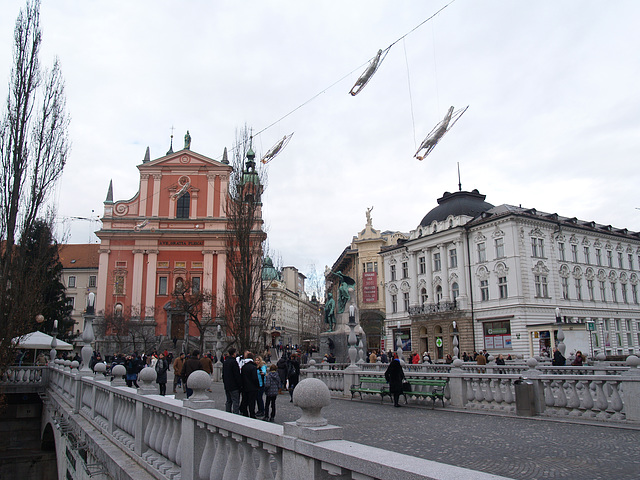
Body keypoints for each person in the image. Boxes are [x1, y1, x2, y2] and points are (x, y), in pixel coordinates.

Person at [240, 352, 259, 418]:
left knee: (245, 401)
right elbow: (255, 378)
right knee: (252, 402)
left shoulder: (243, 367)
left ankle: (245, 413)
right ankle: (252, 414)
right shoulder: (253, 367)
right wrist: (257, 385)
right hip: (252, 387)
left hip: (245, 387)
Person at [223, 348, 242, 414]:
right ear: (234, 354)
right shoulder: (234, 362)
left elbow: (223, 374)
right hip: (234, 386)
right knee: (235, 401)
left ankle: (227, 413)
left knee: (228, 401)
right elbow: (237, 375)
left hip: (227, 385)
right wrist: (240, 385)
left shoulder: (225, 362)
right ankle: (235, 415)